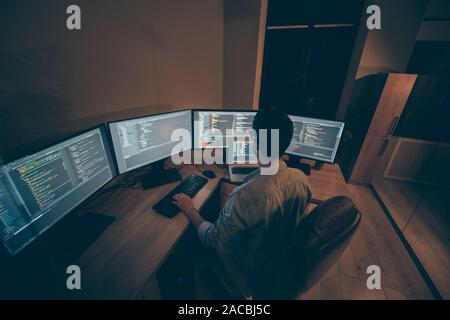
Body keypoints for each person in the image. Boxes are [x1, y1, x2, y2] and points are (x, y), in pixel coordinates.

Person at [172, 108, 311, 297]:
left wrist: (190, 209)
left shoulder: (244, 196)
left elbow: (213, 238)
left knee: (186, 239)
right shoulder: (301, 180)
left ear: (254, 141)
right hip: (275, 259)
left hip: (244, 268)